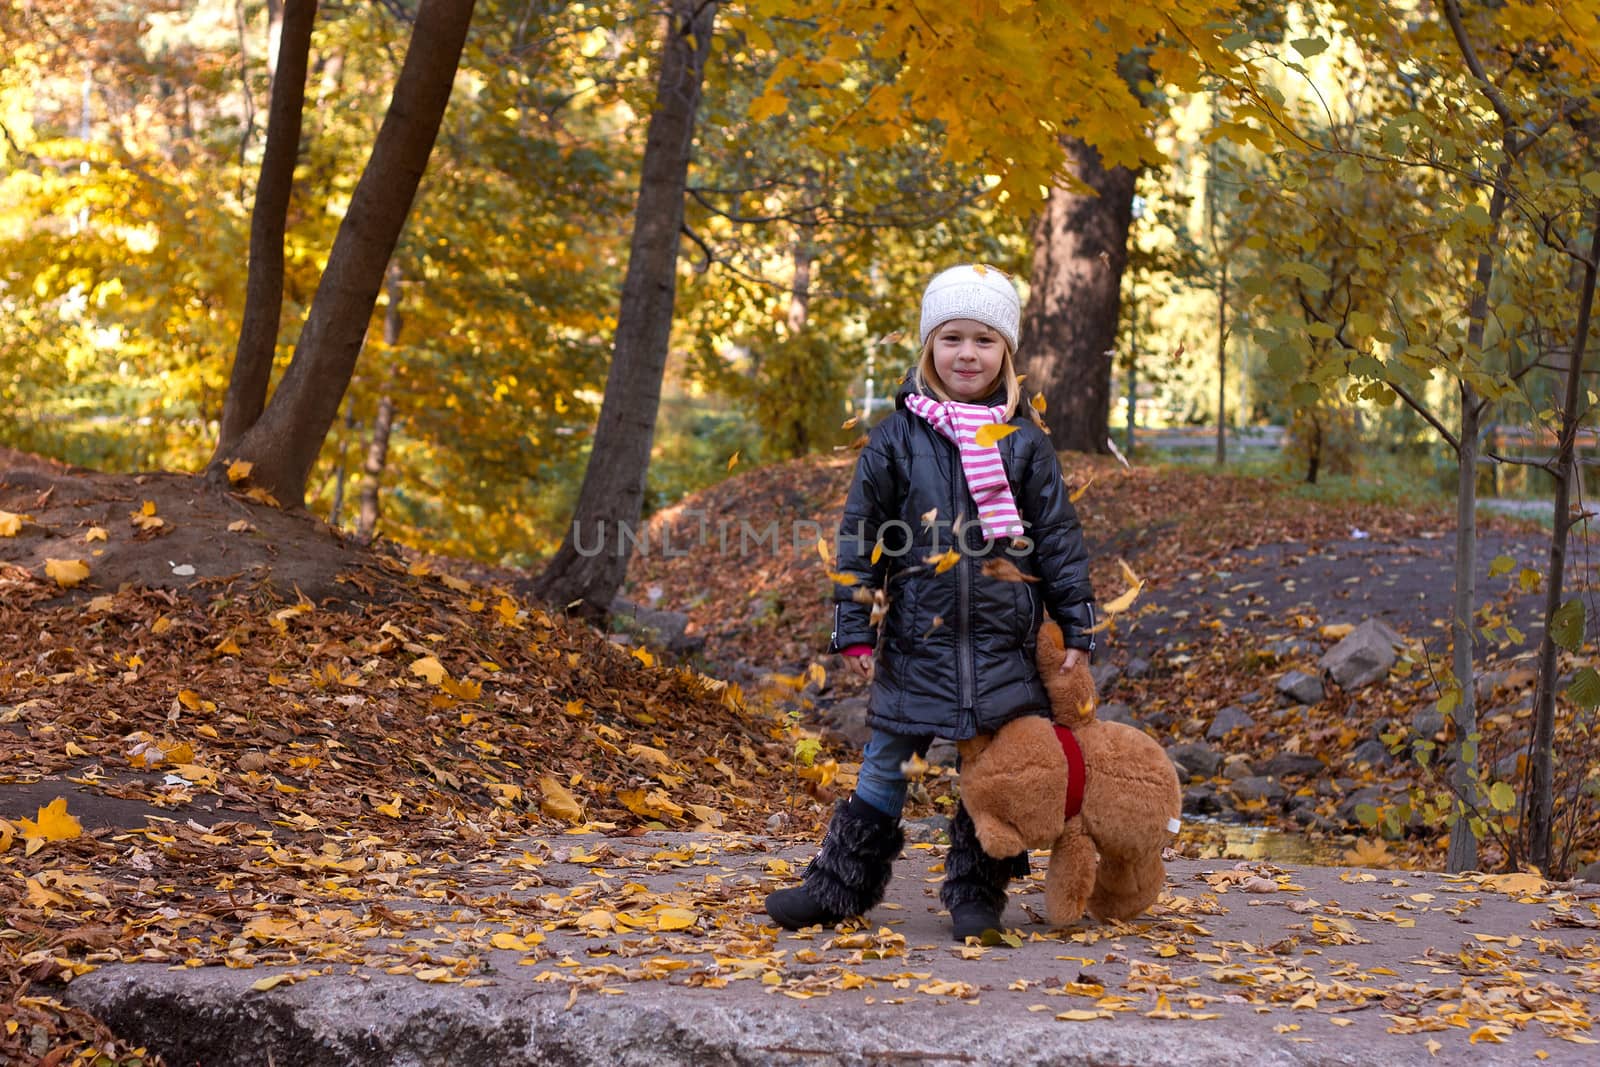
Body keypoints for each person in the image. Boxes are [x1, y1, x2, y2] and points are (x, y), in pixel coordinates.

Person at [764, 263, 1099, 941]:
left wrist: (1078, 627)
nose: (967, 353)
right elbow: (861, 538)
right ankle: (839, 887)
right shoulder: (894, 440)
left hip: (1005, 645)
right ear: (929, 348)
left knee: (994, 772)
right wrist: (854, 625)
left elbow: (1058, 537)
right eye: (952, 338)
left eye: (983, 339)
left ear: (1005, 353)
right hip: (920, 638)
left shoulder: (1026, 445)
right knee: (885, 763)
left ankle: (977, 894)